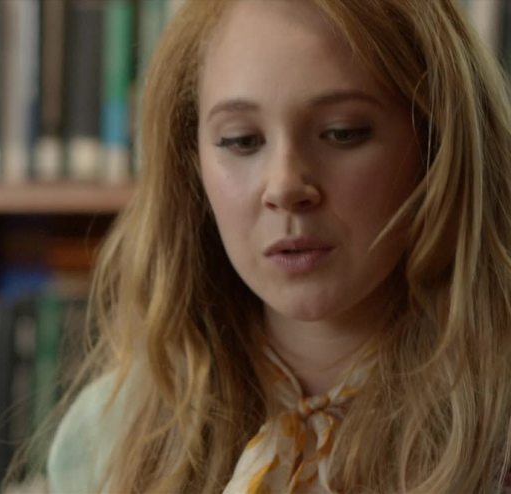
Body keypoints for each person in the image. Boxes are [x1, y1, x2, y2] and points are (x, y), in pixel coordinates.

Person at [46, 0, 511, 492]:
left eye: (342, 133)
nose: (286, 186)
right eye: (242, 141)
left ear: (437, 145)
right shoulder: (105, 438)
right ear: (192, 162)